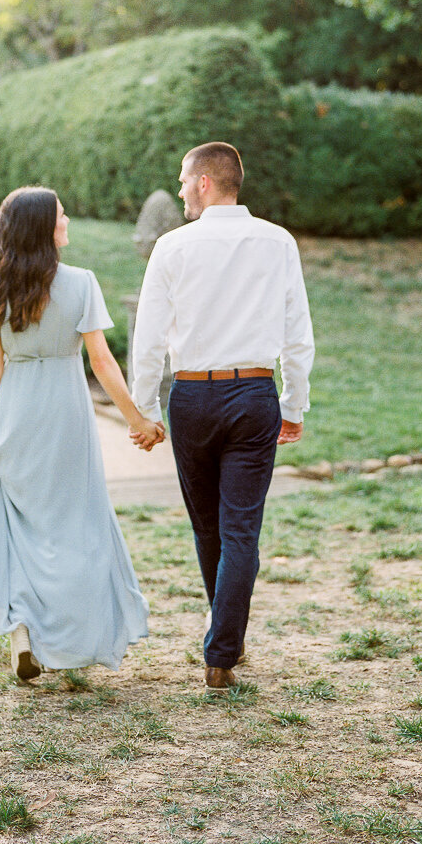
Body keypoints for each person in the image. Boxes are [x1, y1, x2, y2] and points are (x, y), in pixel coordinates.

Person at [130, 143, 314, 693]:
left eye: (185, 180)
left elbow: (150, 339)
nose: (181, 189)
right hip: (255, 395)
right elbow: (297, 333)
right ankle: (223, 651)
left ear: (206, 182)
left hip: (192, 398)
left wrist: (144, 408)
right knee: (239, 528)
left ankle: (222, 639)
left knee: (210, 526)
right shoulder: (278, 242)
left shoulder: (173, 247)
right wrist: (293, 402)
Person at [0, 186, 163, 681]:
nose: (68, 218)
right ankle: (72, 632)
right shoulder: (81, 283)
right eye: (60, 215)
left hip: (16, 411)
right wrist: (137, 419)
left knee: (19, 525)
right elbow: (101, 360)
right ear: (42, 228)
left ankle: (22, 630)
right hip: (66, 414)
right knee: (75, 526)